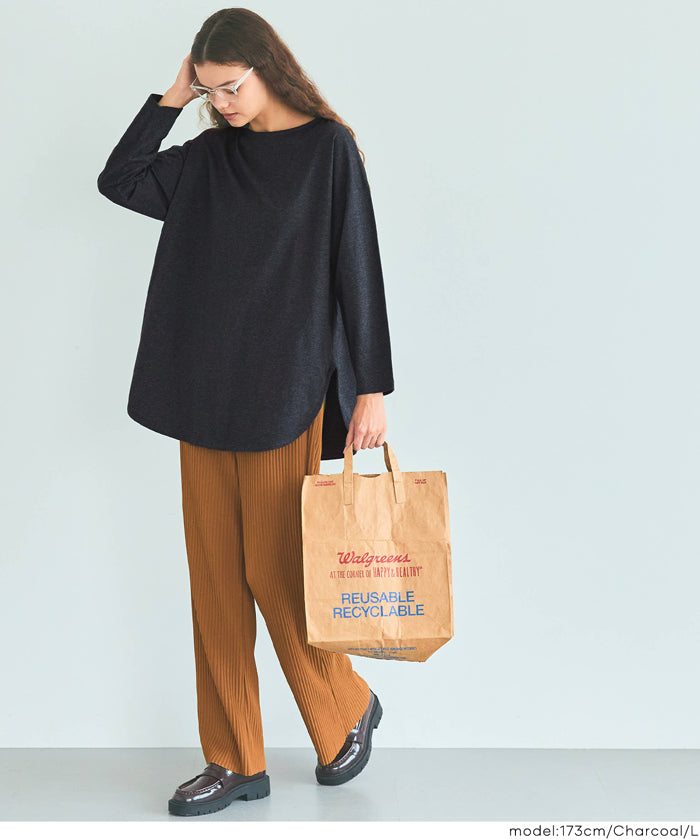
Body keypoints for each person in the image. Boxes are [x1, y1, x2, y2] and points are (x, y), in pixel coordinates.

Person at [97, 7, 394, 817]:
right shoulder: (206, 158)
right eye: (210, 91)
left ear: (268, 66)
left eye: (231, 86)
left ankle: (343, 708)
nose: (222, 103)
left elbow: (358, 265)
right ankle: (233, 760)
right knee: (216, 581)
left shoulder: (327, 150)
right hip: (201, 388)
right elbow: (120, 180)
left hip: (285, 390)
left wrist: (371, 387)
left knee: (275, 570)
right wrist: (172, 97)